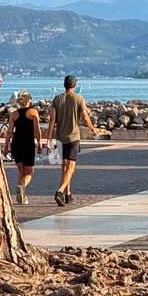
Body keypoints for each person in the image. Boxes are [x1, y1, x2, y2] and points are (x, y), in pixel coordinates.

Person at [45, 75, 100, 206]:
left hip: (60, 137)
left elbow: (52, 120)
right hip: (73, 137)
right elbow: (85, 117)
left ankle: (68, 194)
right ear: (74, 86)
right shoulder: (79, 98)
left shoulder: (57, 99)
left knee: (64, 166)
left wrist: (48, 139)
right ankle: (59, 191)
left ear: (64, 85)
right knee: (71, 167)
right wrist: (93, 129)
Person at [3, 90, 42, 206]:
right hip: (27, 144)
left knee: (21, 170)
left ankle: (22, 197)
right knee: (30, 171)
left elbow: (9, 132)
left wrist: (5, 146)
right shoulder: (33, 112)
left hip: (16, 144)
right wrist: (40, 143)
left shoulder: (14, 114)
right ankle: (21, 187)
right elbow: (37, 130)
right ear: (29, 100)